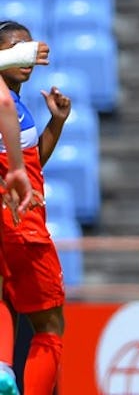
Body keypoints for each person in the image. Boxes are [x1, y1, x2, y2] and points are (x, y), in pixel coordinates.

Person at [0, 21, 67, 395]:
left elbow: (30, 164)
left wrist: (56, 123)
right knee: (50, 325)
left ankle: (3, 370)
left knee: (5, 298)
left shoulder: (17, 106)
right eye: (15, 48)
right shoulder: (3, 102)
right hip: (22, 220)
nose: (25, 55)